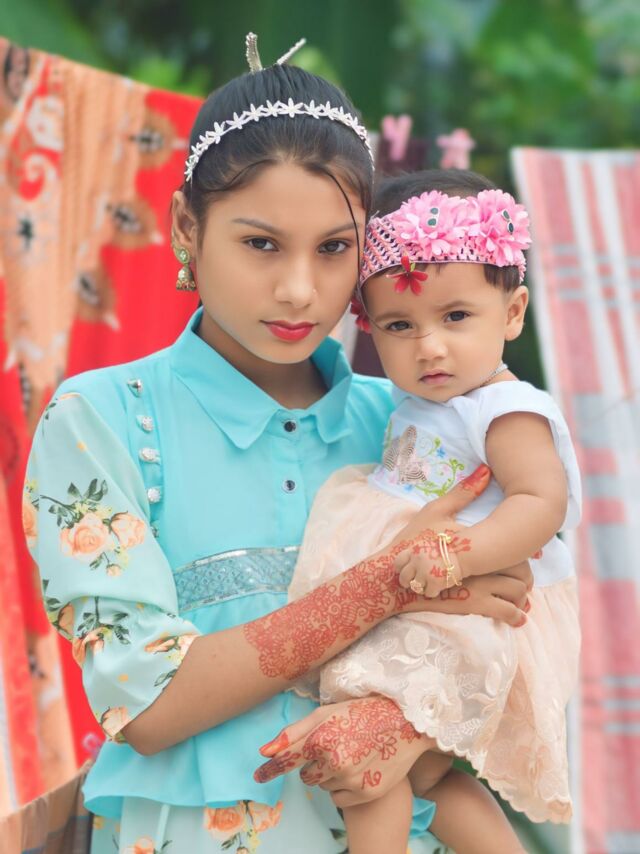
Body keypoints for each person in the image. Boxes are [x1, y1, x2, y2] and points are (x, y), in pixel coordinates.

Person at [23, 35, 532, 854]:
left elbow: (509, 634)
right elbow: (147, 701)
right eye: (261, 243)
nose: (300, 290)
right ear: (186, 226)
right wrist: (384, 585)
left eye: (334, 248)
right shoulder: (102, 420)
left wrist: (403, 729)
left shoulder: (412, 424)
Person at [280, 169, 581, 853]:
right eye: (400, 325)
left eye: (456, 317)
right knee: (426, 775)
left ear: (512, 313)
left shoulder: (505, 409)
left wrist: (457, 554)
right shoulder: (423, 402)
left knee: (371, 756)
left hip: (473, 608)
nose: (429, 346)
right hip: (433, 602)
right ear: (369, 328)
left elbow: (541, 502)